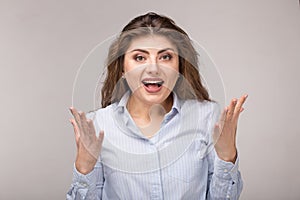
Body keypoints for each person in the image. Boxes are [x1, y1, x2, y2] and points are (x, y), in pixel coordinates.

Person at [67, 12, 247, 200]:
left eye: (165, 57)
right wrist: (84, 168)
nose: (153, 68)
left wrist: (227, 158)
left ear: (179, 68)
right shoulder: (98, 125)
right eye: (139, 58)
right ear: (122, 68)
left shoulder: (206, 116)